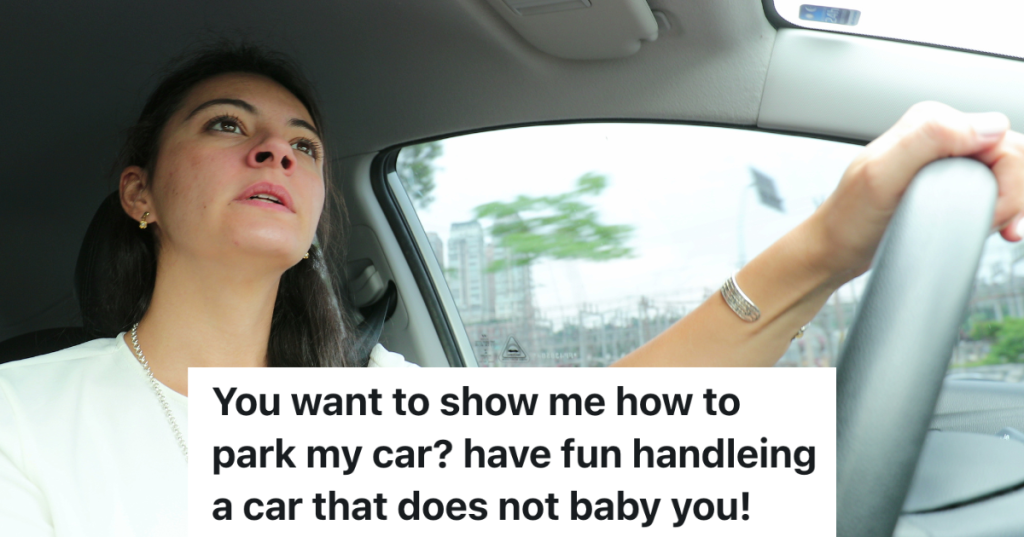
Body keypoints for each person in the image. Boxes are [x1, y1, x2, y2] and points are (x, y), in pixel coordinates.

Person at [1, 42, 1023, 535]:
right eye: (226, 125)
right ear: (139, 192)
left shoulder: (366, 417)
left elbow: (622, 436)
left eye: (304, 144)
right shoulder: (27, 421)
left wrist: (831, 244)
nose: (275, 148)